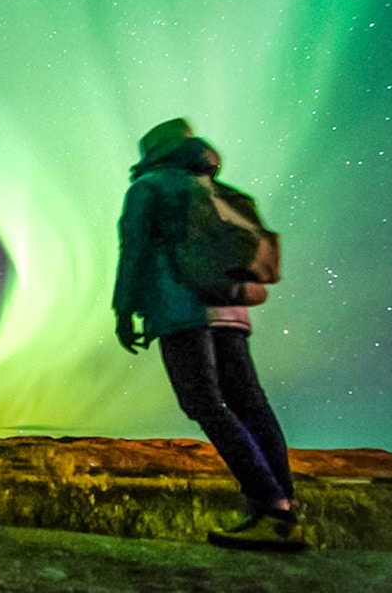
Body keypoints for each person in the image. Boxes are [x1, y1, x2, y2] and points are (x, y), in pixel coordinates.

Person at [112, 118, 304, 550]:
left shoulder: (150, 187)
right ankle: (283, 506)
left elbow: (135, 249)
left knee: (204, 402)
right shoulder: (217, 189)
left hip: (181, 309)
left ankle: (269, 504)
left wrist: (124, 309)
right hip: (230, 307)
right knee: (250, 402)